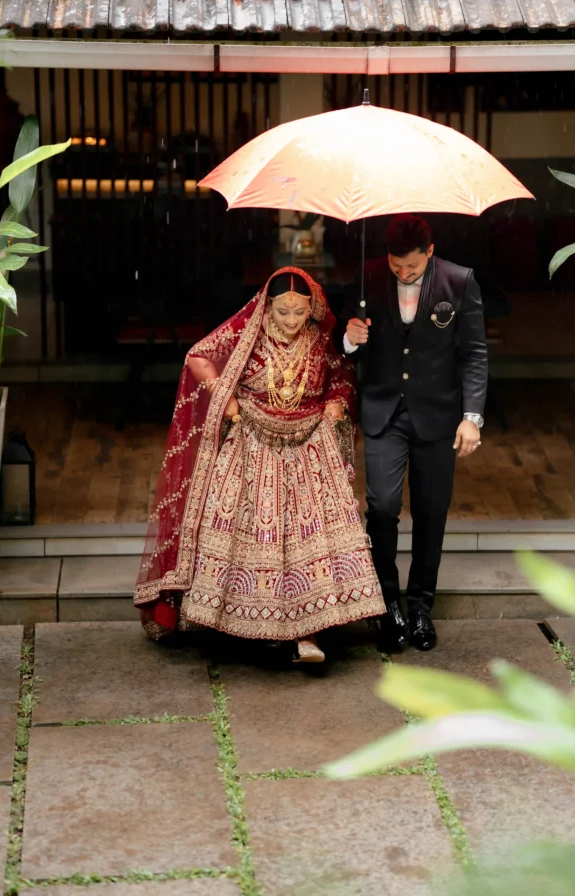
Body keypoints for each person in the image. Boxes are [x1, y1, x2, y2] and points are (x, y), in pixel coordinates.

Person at [135, 267, 385, 664]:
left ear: (311, 308)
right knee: (253, 539)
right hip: (252, 446)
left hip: (309, 449)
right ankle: (246, 626)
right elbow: (197, 356)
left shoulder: (320, 339)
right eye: (283, 313)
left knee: (310, 544)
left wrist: (336, 402)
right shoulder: (248, 333)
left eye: (299, 314)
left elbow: (341, 376)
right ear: (268, 307)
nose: (290, 322)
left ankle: (309, 635)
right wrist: (226, 399)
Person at [342, 214, 488, 653]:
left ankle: (421, 606)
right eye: (395, 265)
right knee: (382, 507)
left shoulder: (459, 282)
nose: (402, 274)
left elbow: (475, 354)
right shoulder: (367, 277)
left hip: (439, 415)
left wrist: (472, 417)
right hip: (384, 411)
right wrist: (349, 339)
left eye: (412, 267)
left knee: (430, 511)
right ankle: (387, 604)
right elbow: (336, 340)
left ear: (430, 252)